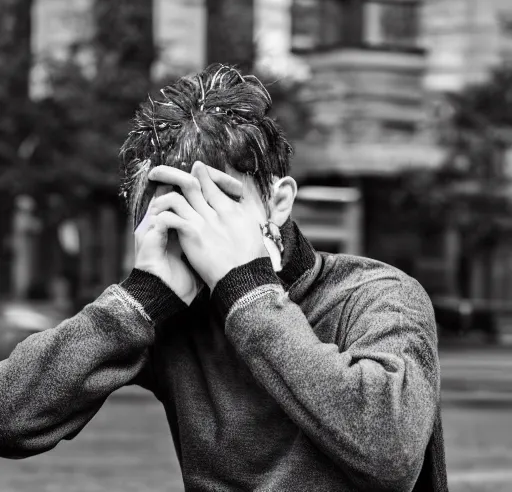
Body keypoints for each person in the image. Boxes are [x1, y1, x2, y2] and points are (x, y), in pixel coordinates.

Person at [0, 64, 448, 492]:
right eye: (174, 212)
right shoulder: (173, 315)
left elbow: (389, 454)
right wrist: (139, 301)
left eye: (217, 203)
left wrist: (247, 291)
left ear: (278, 202)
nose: (198, 229)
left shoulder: (375, 295)